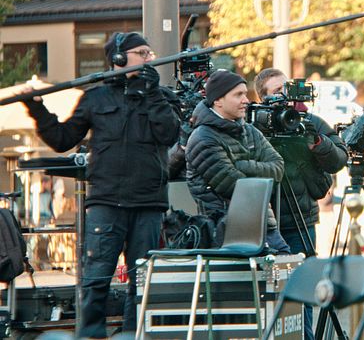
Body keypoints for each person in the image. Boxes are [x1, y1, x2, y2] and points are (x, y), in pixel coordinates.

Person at [21, 32, 180, 338]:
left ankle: (136, 334)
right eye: (142, 53)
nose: (150, 58)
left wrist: (152, 93)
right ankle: (90, 335)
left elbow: (169, 135)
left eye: (150, 53)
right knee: (96, 278)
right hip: (106, 203)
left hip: (148, 203)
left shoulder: (160, 96)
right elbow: (62, 139)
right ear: (119, 59)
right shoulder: (96, 98)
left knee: (143, 281)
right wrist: (36, 109)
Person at [254, 68, 348, 339]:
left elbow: (339, 158)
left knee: (304, 286)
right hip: (265, 221)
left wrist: (317, 143)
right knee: (268, 289)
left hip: (301, 219)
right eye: (276, 92)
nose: (284, 96)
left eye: (286, 89)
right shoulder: (256, 125)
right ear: (262, 98)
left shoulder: (309, 121)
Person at [185, 69, 290, 253]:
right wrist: (259, 172)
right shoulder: (202, 138)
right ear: (217, 100)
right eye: (238, 94)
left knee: (286, 270)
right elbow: (236, 187)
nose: (246, 100)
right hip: (227, 230)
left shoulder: (249, 130)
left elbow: (278, 167)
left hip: (265, 224)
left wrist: (242, 165)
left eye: (245, 93)